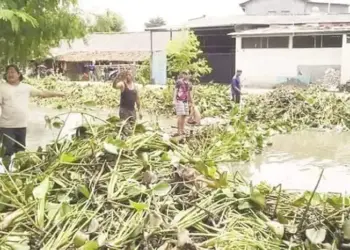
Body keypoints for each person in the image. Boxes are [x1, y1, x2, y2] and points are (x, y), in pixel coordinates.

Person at [0, 65, 66, 156]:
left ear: (18, 74)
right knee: (6, 153)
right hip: (6, 126)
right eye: (8, 72)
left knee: (21, 153)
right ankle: (6, 169)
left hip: (21, 125)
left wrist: (58, 94)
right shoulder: (2, 88)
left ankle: (18, 170)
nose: (10, 74)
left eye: (12, 72)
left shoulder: (26, 88)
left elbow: (42, 93)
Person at [173, 71, 192, 136]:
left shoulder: (189, 83)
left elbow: (189, 93)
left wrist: (190, 102)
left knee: (184, 115)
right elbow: (175, 90)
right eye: (185, 74)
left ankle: (182, 130)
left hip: (185, 101)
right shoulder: (179, 82)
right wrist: (174, 100)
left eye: (188, 74)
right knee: (180, 115)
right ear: (183, 75)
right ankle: (179, 131)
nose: (186, 75)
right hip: (179, 100)